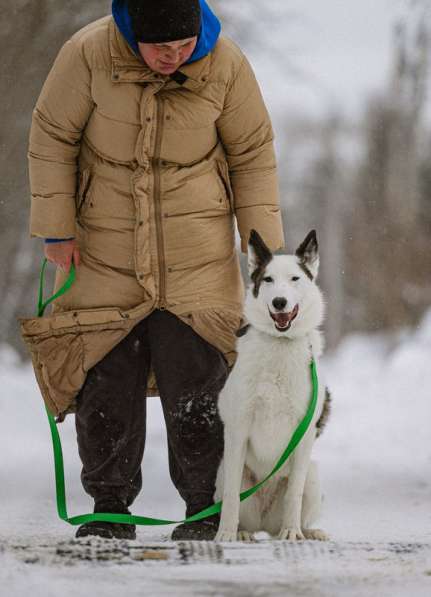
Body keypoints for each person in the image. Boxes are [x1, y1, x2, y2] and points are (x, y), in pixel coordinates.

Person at [27, 0, 284, 541]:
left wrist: (264, 251)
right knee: (107, 378)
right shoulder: (89, 53)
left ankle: (204, 506)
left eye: (184, 46)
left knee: (199, 380)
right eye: (159, 47)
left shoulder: (228, 65)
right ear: (131, 32)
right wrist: (57, 228)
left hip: (196, 250)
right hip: (103, 245)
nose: (172, 56)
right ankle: (109, 506)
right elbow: (53, 134)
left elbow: (253, 154)